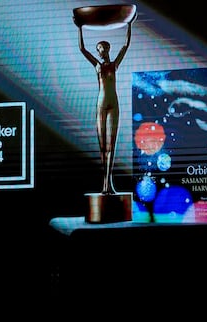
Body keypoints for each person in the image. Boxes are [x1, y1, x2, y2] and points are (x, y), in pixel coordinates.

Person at [76, 16, 134, 194]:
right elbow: (82, 49)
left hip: (113, 103)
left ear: (108, 49)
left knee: (112, 145)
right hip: (101, 103)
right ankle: (104, 185)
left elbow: (125, 46)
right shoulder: (97, 66)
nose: (102, 51)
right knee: (102, 145)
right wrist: (80, 28)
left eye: (104, 48)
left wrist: (129, 25)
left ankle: (110, 184)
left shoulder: (114, 65)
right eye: (100, 49)